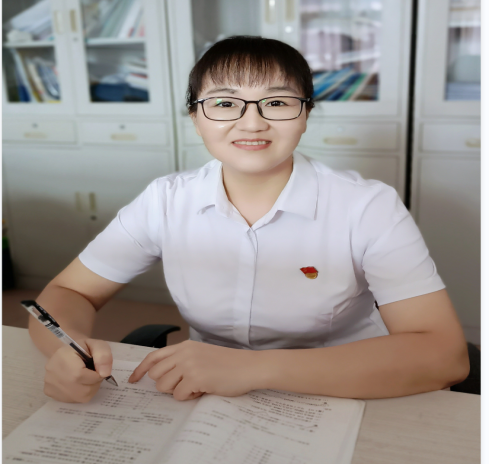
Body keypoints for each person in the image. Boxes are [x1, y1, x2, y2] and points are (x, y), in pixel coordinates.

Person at [30, 36, 470, 404]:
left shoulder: (368, 206)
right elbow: (69, 293)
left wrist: (252, 369)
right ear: (196, 118)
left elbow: (443, 355)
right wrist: (66, 350)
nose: (252, 122)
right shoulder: (165, 200)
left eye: (276, 102)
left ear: (305, 115)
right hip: (208, 394)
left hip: (345, 390)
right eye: (225, 103)